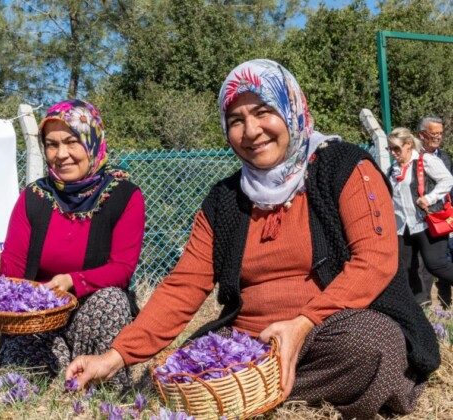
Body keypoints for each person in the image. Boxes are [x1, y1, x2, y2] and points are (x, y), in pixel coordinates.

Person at [65, 60, 440, 419]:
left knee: (371, 347)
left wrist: (303, 324)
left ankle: (239, 392)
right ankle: (250, 386)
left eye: (264, 112)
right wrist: (116, 356)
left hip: (330, 331)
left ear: (291, 108)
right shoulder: (224, 199)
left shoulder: (344, 167)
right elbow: (184, 285)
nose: (251, 131)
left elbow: (374, 260)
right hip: (251, 344)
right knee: (170, 371)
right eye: (236, 120)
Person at [0, 99, 146, 388]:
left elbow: (122, 269)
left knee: (110, 300)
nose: (61, 155)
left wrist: (71, 281)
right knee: (20, 384)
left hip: (92, 317)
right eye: (51, 145)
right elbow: (15, 270)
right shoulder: (34, 199)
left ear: (92, 142)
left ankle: (107, 387)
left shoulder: (123, 196)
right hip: (39, 323)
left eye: (71, 142)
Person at [387, 127, 453, 307]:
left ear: (408, 145)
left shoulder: (425, 161)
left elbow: (447, 180)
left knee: (436, 265)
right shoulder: (392, 170)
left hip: (427, 222)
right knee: (407, 268)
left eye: (396, 149)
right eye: (390, 149)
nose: (393, 153)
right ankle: (422, 307)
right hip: (403, 227)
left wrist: (430, 198)